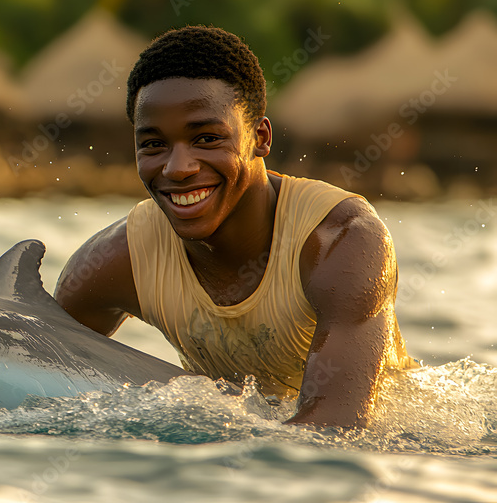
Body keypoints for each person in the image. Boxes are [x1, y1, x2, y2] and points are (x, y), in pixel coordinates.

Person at [53, 25, 419, 429]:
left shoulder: (341, 242)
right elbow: (35, 379)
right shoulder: (113, 263)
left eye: (207, 138)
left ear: (260, 138)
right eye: (154, 145)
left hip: (401, 441)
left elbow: (335, 428)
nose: (178, 168)